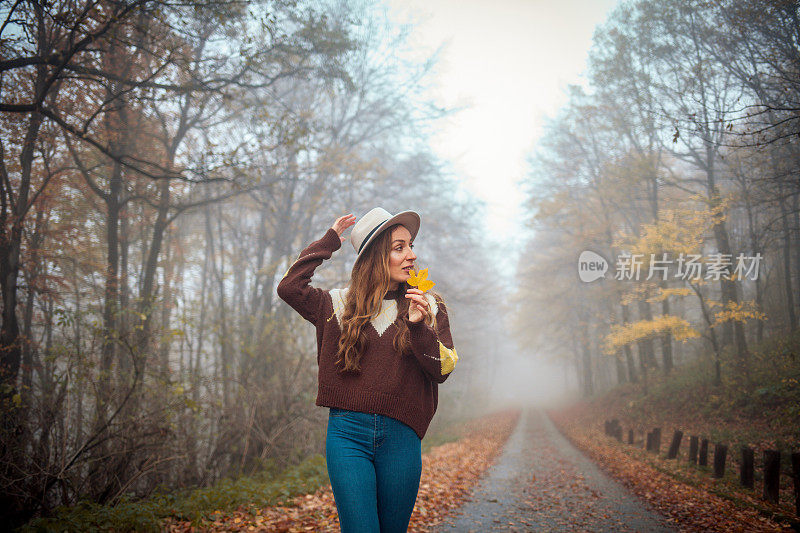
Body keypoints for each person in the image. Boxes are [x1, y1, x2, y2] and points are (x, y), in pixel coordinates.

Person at [276, 207, 458, 533]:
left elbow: (442, 370)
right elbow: (289, 287)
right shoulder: (336, 305)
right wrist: (328, 242)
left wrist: (419, 329)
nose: (412, 255)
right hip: (347, 436)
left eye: (411, 245)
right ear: (376, 256)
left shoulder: (428, 305)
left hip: (402, 438)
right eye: (399, 247)